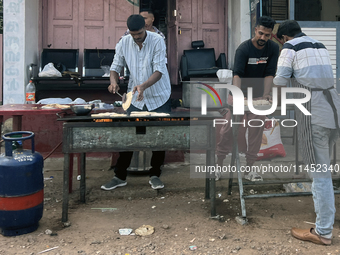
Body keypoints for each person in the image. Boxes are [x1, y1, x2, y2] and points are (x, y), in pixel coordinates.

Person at [274, 20, 340, 245]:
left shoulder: (290, 48)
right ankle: (326, 223)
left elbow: (280, 81)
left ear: (283, 38)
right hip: (334, 111)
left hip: (315, 113)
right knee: (325, 171)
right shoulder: (320, 45)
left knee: (320, 175)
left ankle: (323, 232)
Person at [101, 14, 171, 191]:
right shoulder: (124, 42)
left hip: (159, 95)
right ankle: (120, 176)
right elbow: (115, 67)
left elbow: (159, 70)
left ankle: (155, 174)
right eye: (133, 35)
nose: (137, 38)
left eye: (139, 34)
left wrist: (144, 86)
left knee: (159, 138)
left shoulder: (157, 40)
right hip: (136, 98)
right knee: (129, 136)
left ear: (145, 29)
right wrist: (113, 81)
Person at [216, 16, 279, 181]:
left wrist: (266, 95)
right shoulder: (243, 49)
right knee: (227, 130)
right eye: (260, 33)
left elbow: (269, 73)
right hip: (238, 95)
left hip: (258, 98)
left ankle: (249, 170)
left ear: (271, 34)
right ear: (255, 30)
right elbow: (237, 74)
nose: (263, 38)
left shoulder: (273, 48)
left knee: (256, 130)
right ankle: (218, 166)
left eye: (267, 35)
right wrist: (237, 97)